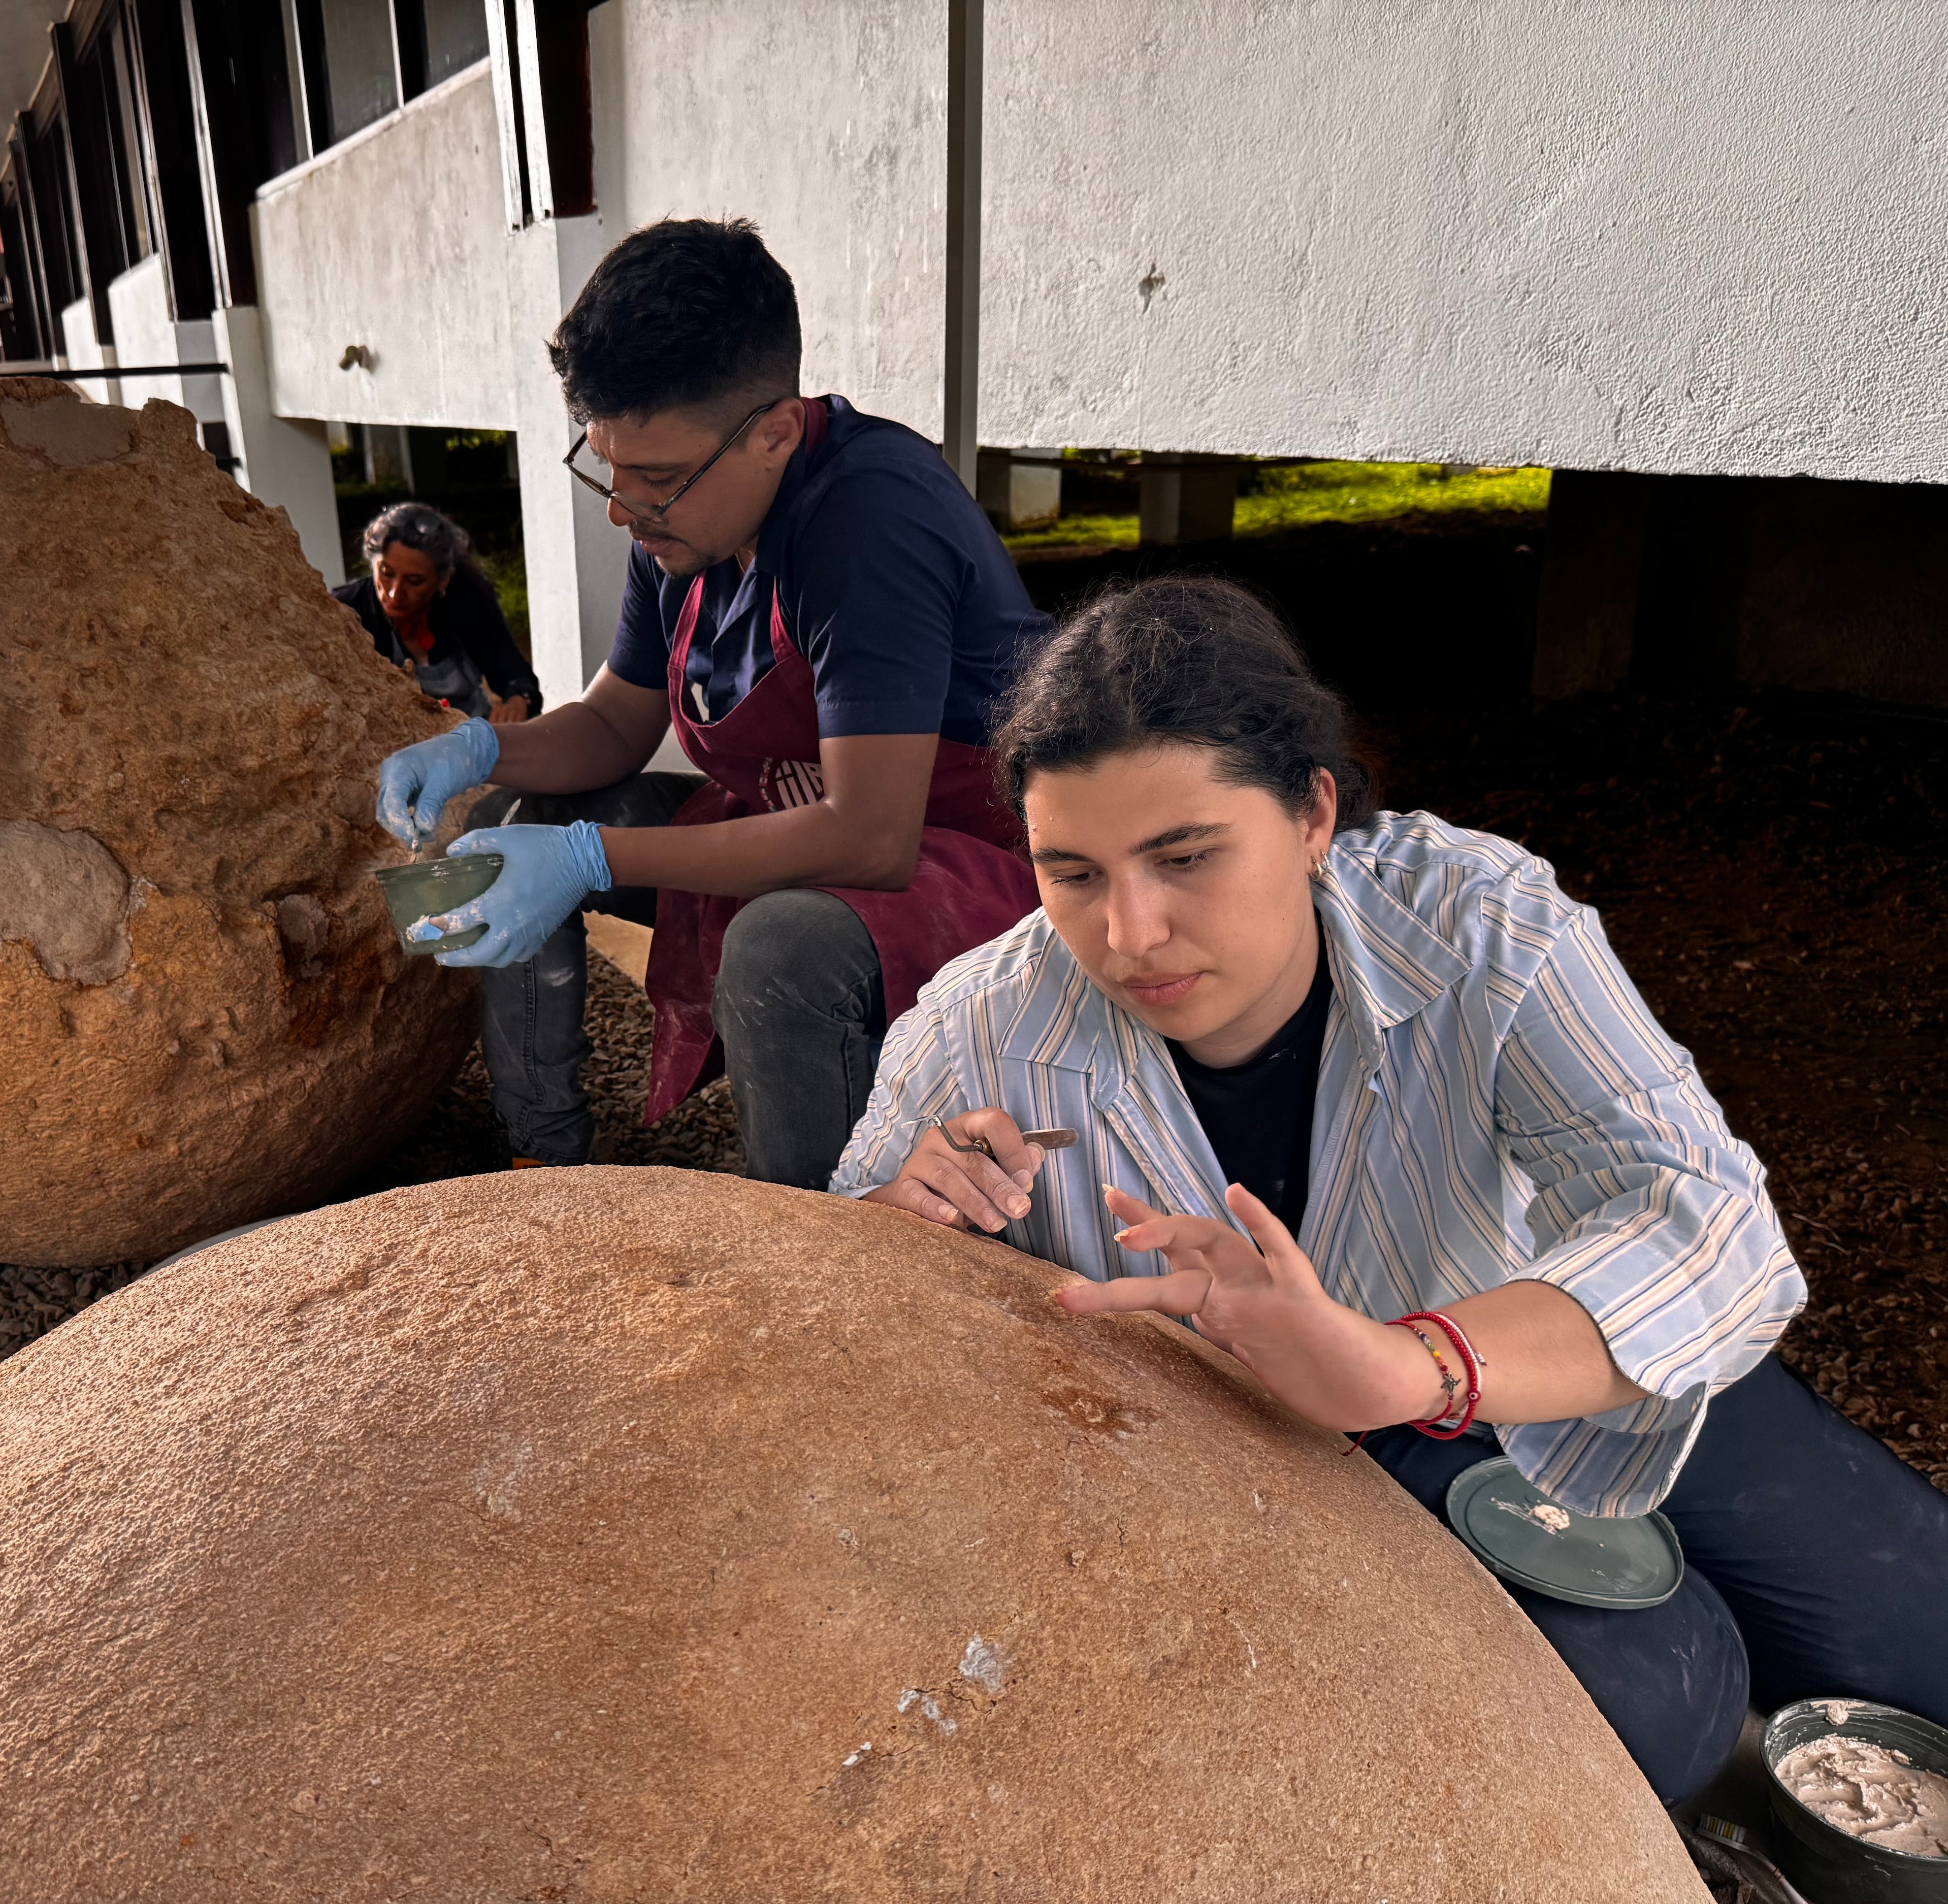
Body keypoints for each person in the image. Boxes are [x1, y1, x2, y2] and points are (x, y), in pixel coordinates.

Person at [831, 574, 1948, 1808]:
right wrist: (901, 1230)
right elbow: (846, 1297)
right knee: (1650, 1705)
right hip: (1304, 1445)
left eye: (1185, 854)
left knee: (1920, 1635)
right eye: (1072, 872)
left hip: (1529, 1339)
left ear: (1314, 814)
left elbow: (1711, 1224)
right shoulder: (977, 1027)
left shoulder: (1479, 926)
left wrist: (1413, 1360)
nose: (1129, 932)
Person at [372, 219, 1049, 1185]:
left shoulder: (868, 524)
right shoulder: (685, 525)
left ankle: (820, 1253)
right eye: (608, 465)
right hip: (796, 814)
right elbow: (613, 726)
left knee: (780, 948)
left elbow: (870, 838)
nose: (622, 508)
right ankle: (545, 1163)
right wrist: (476, 750)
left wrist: (590, 860)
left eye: (654, 479)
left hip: (980, 857)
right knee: (550, 816)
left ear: (775, 430)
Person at [332, 501, 540, 723]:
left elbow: (513, 671)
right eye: (386, 573)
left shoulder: (468, 600)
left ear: (443, 580)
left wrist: (519, 699)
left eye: (415, 581)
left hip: (469, 733)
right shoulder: (345, 609)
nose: (395, 594)